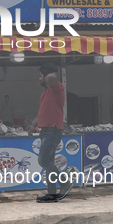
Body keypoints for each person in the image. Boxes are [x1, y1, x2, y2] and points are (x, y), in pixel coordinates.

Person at [28, 63, 73, 203]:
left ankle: (65, 183)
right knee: (49, 163)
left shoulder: (56, 88)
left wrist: (47, 71)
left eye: (40, 76)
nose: (39, 79)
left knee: (44, 160)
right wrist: (33, 126)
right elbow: (41, 112)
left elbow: (53, 76)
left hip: (52, 130)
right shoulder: (45, 93)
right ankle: (52, 194)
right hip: (46, 130)